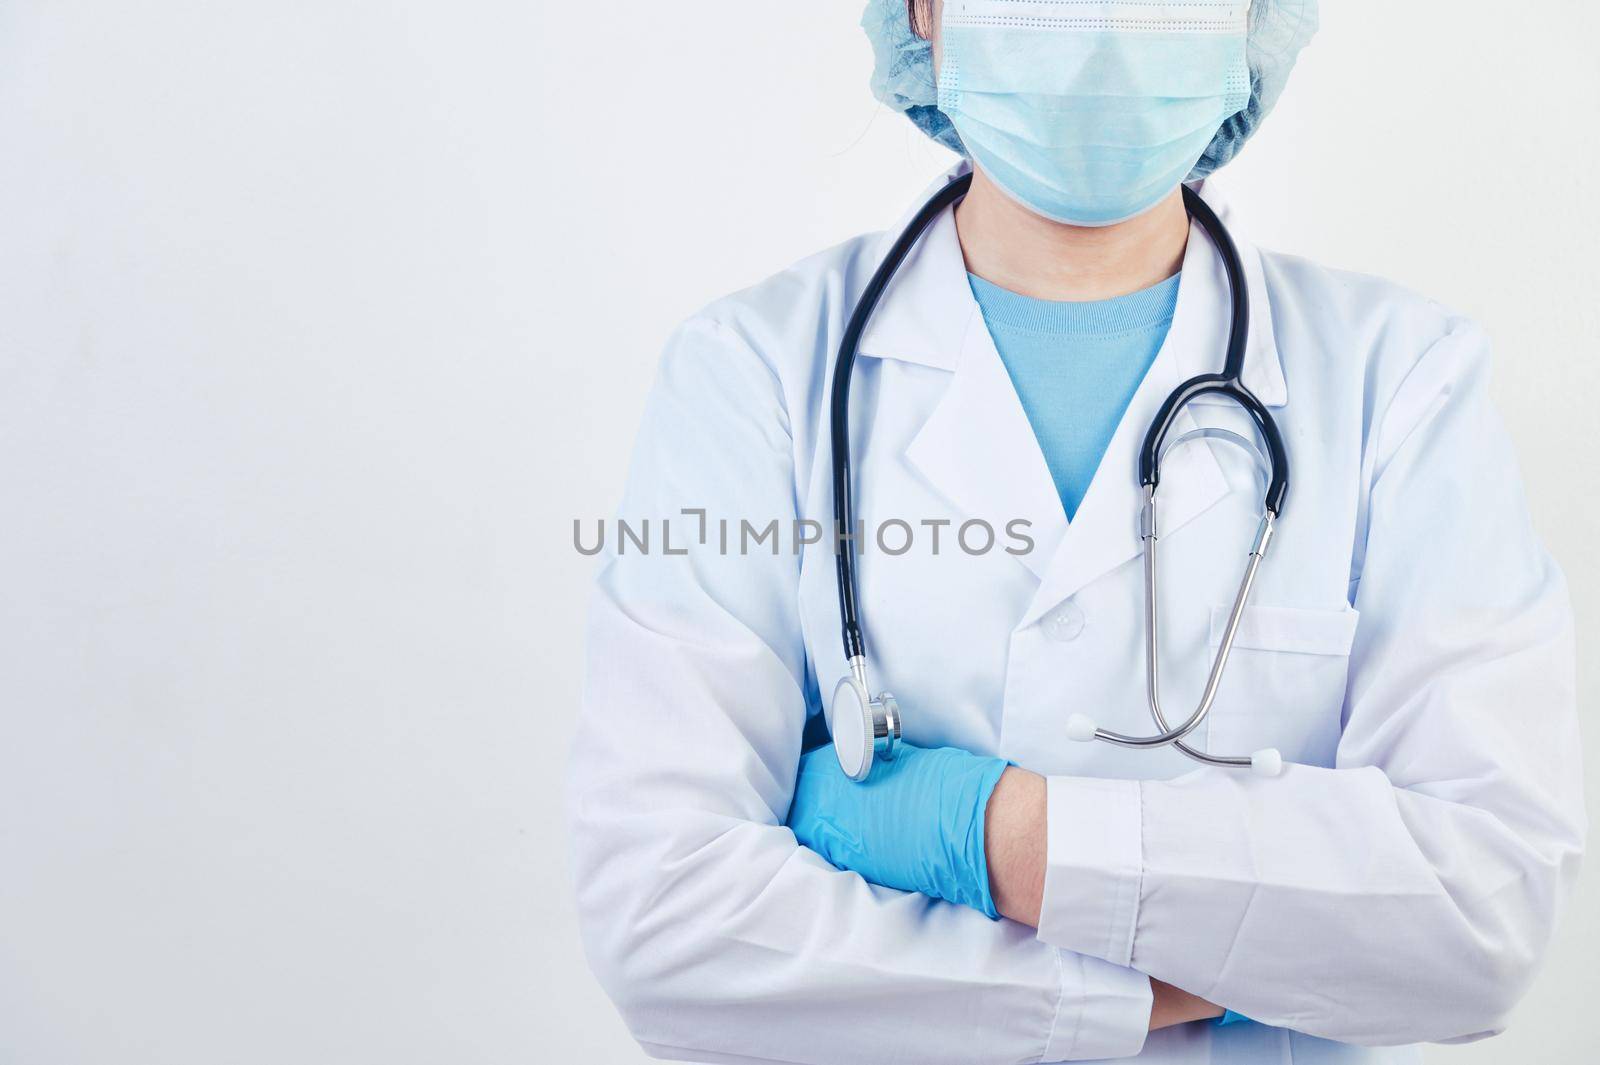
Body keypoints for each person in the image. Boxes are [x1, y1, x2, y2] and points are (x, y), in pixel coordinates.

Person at [566, 1, 1585, 1061]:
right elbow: (665, 922)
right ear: (922, 13)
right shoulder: (754, 371)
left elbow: (1481, 920)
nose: (1101, 21)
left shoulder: (1398, 379)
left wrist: (984, 830)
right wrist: (1182, 980)